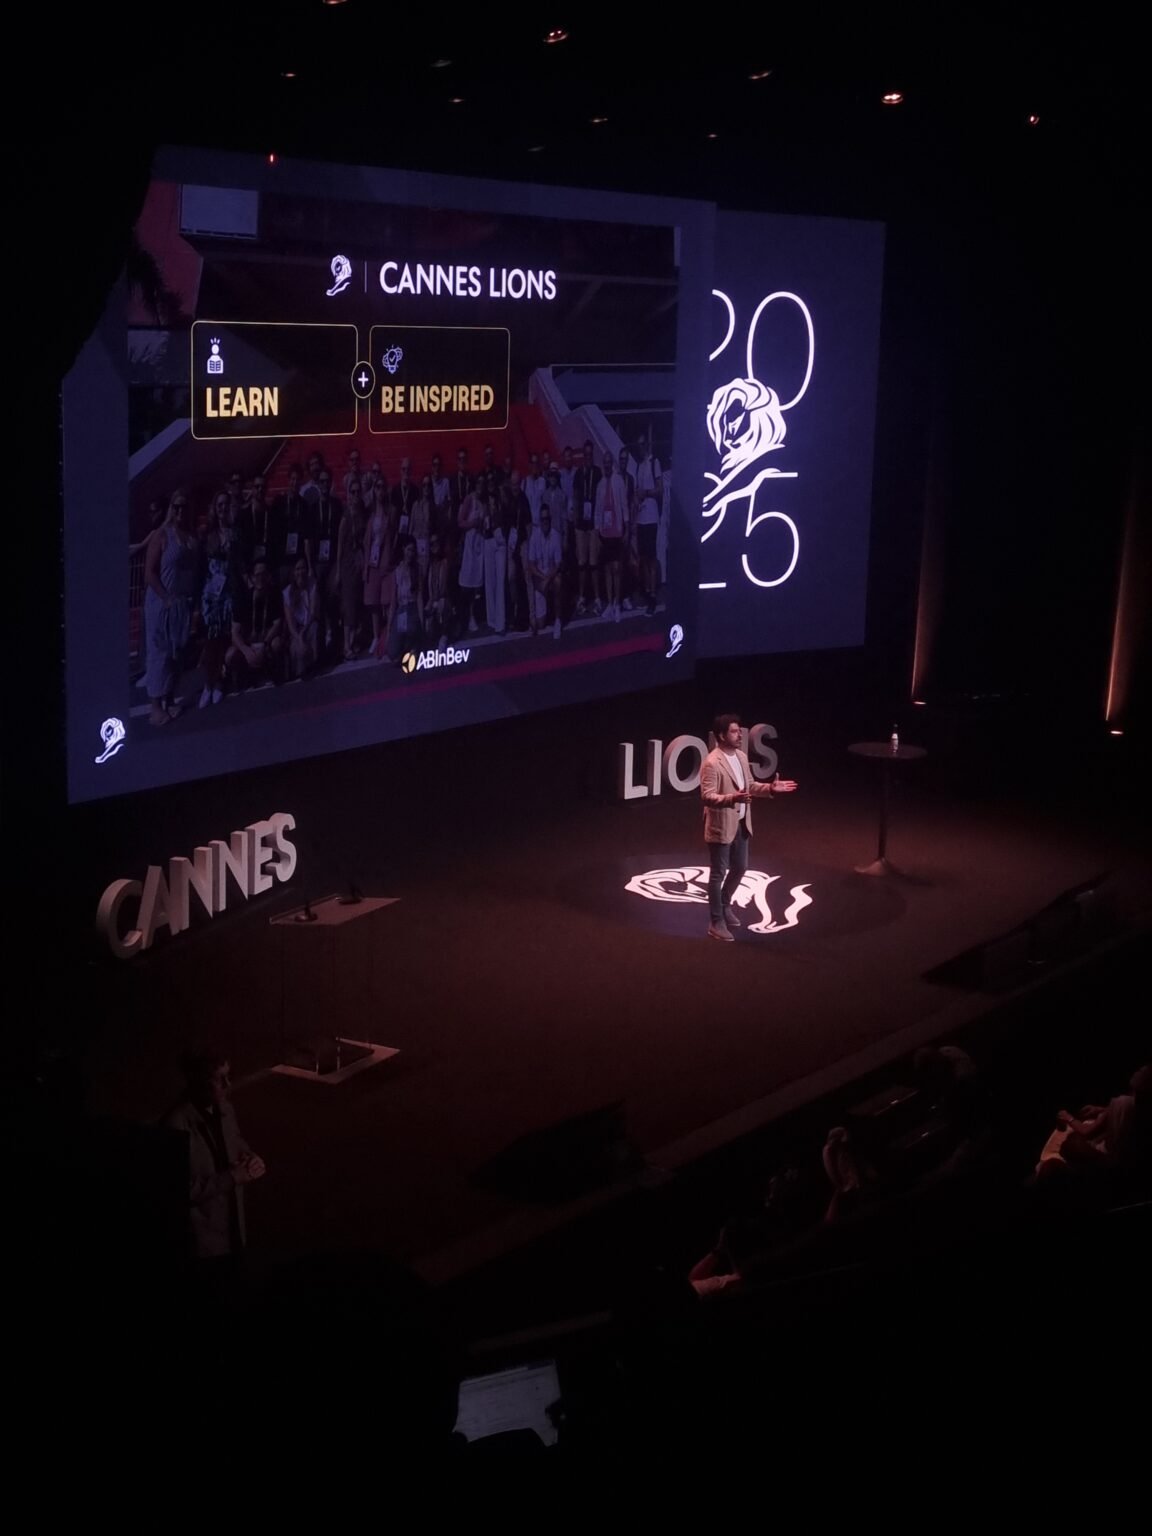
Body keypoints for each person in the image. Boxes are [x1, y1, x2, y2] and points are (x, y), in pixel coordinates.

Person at [162, 1047, 265, 1264]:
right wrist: (232, 1177)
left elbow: (235, 1142)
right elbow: (177, 1191)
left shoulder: (225, 1109)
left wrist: (251, 1158)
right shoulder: (176, 1124)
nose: (228, 1084)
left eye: (229, 1076)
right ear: (199, 1081)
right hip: (205, 1247)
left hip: (233, 1234)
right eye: (219, 1079)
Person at [700, 713, 797, 942]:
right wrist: (732, 799)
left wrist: (770, 788)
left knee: (741, 868)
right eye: (734, 731)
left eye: (739, 730)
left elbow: (750, 786)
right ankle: (716, 921)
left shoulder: (742, 757)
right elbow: (707, 796)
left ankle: (725, 904)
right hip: (721, 825)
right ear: (721, 736)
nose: (740, 735)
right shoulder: (712, 763)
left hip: (742, 823)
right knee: (718, 873)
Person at [143, 491, 199, 726]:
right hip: (161, 602)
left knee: (176, 653)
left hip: (181, 603)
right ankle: (155, 707)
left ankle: (169, 698)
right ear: (171, 509)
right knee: (159, 653)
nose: (180, 511)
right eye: (176, 507)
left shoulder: (191, 537)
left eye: (184, 507)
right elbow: (149, 572)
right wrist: (165, 597)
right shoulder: (162, 535)